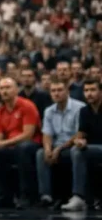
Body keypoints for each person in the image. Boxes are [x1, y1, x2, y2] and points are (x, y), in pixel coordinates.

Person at [0, 76, 41, 208]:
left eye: (8, 88)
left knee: (23, 148)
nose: (4, 91)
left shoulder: (27, 106)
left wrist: (2, 144)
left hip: (32, 145)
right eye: (2, 88)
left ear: (16, 90)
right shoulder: (0, 112)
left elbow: (28, 135)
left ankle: (26, 196)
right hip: (11, 146)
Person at [35, 77, 84, 207]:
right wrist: (47, 149)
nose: (56, 93)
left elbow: (79, 134)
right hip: (57, 146)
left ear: (67, 91)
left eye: (60, 90)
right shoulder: (49, 110)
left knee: (75, 152)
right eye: (53, 91)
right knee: (40, 154)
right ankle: (46, 196)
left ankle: (77, 196)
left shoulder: (80, 108)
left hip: (73, 145)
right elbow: (47, 134)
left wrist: (59, 149)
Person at [67, 77, 102, 211]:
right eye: (86, 90)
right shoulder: (84, 111)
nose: (89, 93)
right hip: (94, 148)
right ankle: (78, 197)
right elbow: (81, 133)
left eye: (93, 90)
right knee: (76, 150)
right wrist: (78, 141)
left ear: (100, 92)